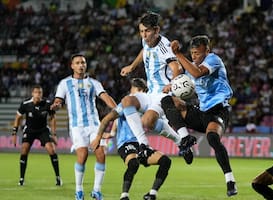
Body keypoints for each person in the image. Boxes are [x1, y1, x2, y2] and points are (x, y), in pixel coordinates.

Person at [160, 35, 238, 196]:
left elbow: (197, 74)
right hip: (201, 112)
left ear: (207, 51)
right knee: (168, 101)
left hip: (218, 111)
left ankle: (230, 180)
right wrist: (172, 85)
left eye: (197, 53)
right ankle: (185, 139)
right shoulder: (192, 66)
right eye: (192, 53)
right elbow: (185, 84)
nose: (194, 56)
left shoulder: (213, 60)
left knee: (212, 139)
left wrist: (178, 54)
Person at [120, 12, 196, 164]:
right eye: (141, 31)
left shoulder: (164, 47)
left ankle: (180, 141)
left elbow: (177, 68)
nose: (144, 35)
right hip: (151, 92)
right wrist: (132, 66)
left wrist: (172, 84)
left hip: (163, 93)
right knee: (127, 101)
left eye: (147, 31)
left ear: (156, 30)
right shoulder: (146, 41)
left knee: (147, 121)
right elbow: (144, 51)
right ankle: (146, 145)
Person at [91, 78, 171, 200]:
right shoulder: (126, 103)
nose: (133, 93)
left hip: (141, 145)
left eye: (137, 91)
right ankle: (124, 196)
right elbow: (107, 119)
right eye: (134, 90)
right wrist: (99, 137)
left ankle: (152, 194)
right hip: (126, 143)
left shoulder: (147, 105)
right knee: (133, 164)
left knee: (165, 161)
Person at [51, 53, 117, 200]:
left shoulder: (94, 83)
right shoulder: (65, 83)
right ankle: (79, 190)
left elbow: (105, 97)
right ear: (72, 66)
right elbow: (58, 100)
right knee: (83, 155)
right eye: (78, 63)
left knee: (101, 153)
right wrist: (56, 105)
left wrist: (118, 109)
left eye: (83, 63)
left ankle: (96, 191)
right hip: (77, 126)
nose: (81, 65)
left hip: (94, 125)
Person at [11, 85, 62, 186]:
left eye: (40, 93)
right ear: (32, 94)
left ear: (42, 94)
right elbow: (18, 117)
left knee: (51, 150)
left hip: (43, 130)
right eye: (36, 93)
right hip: (29, 130)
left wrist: (54, 133)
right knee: (24, 150)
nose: (38, 95)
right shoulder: (26, 104)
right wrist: (14, 133)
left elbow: (53, 118)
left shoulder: (47, 104)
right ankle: (21, 179)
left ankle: (58, 178)